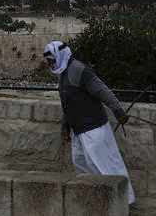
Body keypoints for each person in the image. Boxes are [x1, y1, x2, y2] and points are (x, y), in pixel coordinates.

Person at [43, 41, 135, 204]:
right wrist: (65, 125)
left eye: (51, 59)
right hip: (79, 131)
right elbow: (68, 102)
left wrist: (118, 111)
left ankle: (121, 204)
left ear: (59, 56)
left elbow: (102, 91)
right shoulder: (63, 73)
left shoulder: (79, 70)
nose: (49, 63)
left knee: (104, 168)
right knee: (83, 169)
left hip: (93, 129)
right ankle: (97, 204)